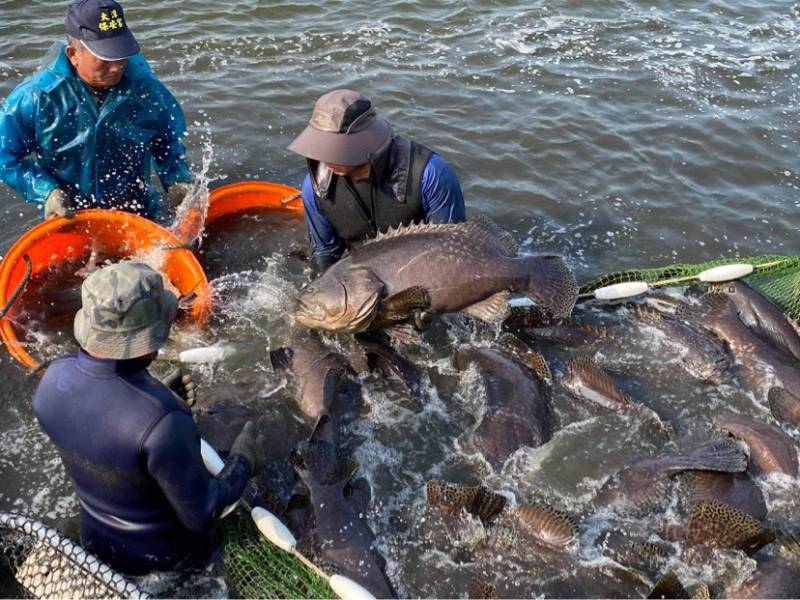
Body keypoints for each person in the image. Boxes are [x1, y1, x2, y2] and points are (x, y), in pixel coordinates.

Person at [32, 262, 264, 574]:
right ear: (146, 338)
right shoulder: (164, 421)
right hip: (167, 562)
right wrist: (243, 460)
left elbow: (101, 431)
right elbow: (203, 513)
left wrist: (155, 401)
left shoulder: (51, 379)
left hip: (95, 541)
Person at [0, 0, 192, 220]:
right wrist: (47, 192)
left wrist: (176, 179)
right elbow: (5, 156)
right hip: (71, 215)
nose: (117, 66)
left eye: (121, 54)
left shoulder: (146, 90)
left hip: (138, 211)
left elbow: (167, 140)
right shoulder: (36, 97)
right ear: (73, 54)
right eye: (105, 58)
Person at [288, 89, 466, 275]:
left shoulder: (431, 174)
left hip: (422, 269)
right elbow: (325, 252)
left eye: (333, 149)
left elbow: (452, 251)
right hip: (363, 276)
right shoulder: (315, 187)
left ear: (363, 140)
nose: (326, 158)